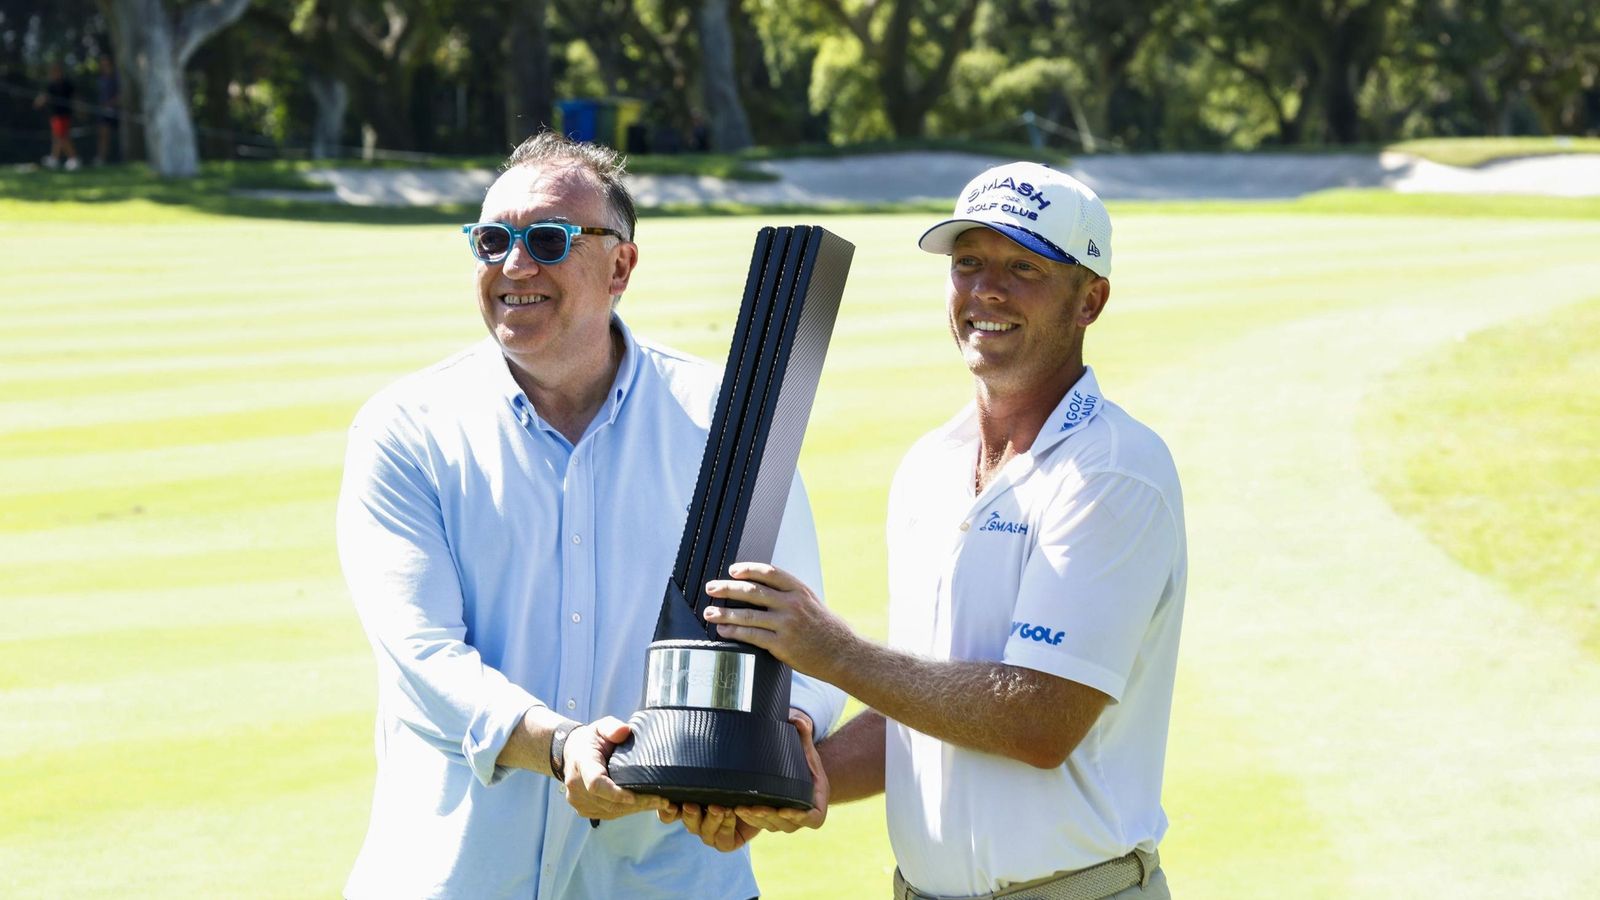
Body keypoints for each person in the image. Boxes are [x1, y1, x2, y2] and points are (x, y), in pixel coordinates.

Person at [336, 130, 844, 899]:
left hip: (673, 878)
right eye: (492, 240)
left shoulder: (726, 419)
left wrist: (775, 749)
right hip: (456, 879)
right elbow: (423, 655)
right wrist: (560, 745)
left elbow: (798, 633)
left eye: (547, 239)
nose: (515, 265)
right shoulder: (405, 428)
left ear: (621, 266)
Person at [686, 162, 1187, 900]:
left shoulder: (1113, 469)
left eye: (1024, 267)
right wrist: (798, 777)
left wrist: (832, 651)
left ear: (1091, 300)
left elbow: (1040, 721)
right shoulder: (929, 466)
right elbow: (924, 699)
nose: (988, 290)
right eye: (969, 263)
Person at [34, 61, 79, 171]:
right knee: (57, 137)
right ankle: (55, 158)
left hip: (65, 115)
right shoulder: (51, 85)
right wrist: (40, 101)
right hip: (55, 115)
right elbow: (45, 97)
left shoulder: (67, 84)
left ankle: (72, 158)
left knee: (62, 137)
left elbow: (76, 97)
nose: (54, 73)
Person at [94, 55, 119, 166]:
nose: (104, 66)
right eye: (102, 64)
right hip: (103, 112)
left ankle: (119, 157)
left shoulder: (117, 77)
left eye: (106, 63)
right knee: (103, 135)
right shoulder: (101, 78)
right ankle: (101, 158)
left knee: (117, 135)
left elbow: (122, 95)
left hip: (116, 111)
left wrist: (111, 103)